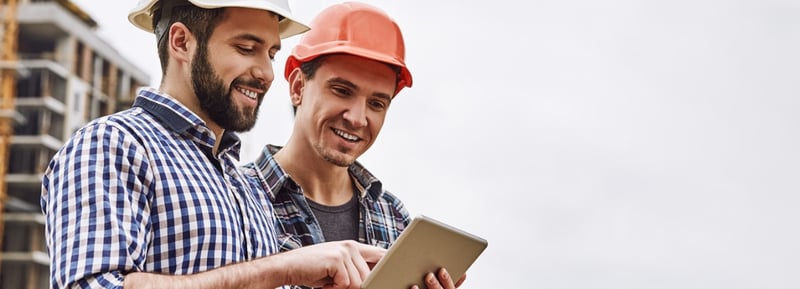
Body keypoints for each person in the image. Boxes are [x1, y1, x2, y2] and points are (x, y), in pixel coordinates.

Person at [41, 1, 385, 288]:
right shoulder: (114, 146)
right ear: (181, 43)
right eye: (246, 48)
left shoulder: (242, 184)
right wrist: (283, 268)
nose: (266, 72)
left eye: (271, 54)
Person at [242, 3, 465, 289]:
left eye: (376, 104)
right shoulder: (237, 199)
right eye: (342, 91)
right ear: (298, 87)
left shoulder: (392, 216)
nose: (358, 119)